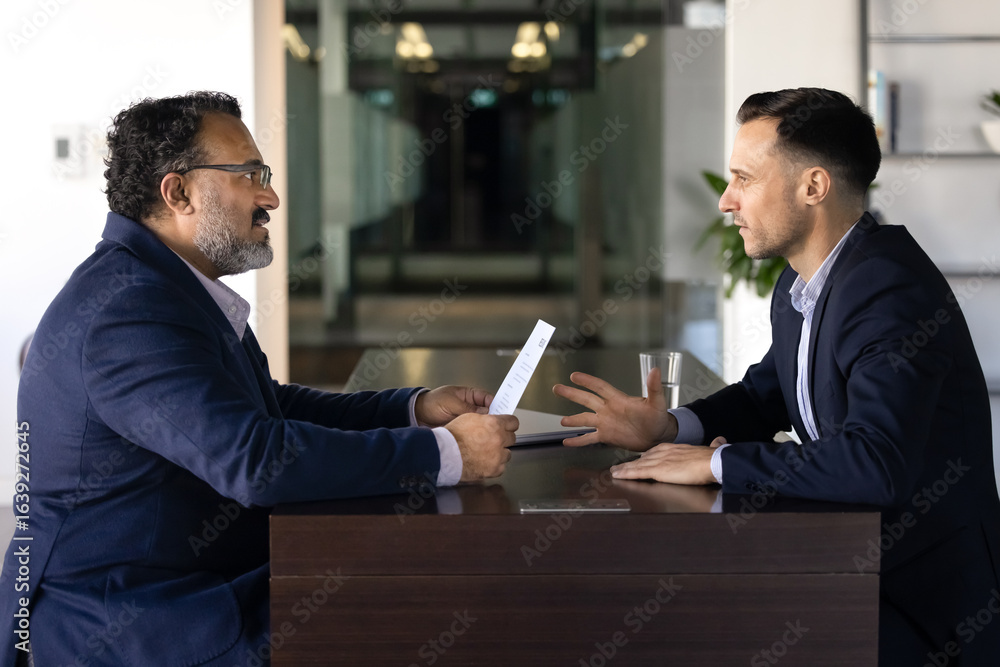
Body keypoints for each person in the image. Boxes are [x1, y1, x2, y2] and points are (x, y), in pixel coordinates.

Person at [1, 91, 517, 666]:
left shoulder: (166, 284)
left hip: (196, 578)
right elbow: (255, 461)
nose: (269, 196)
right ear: (178, 193)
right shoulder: (127, 311)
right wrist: (446, 453)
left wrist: (412, 410)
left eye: (263, 175)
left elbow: (267, 407)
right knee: (410, 607)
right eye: (248, 175)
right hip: (138, 620)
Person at [554, 88, 1000, 665]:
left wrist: (715, 463)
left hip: (924, 607)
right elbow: (767, 394)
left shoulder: (888, 288)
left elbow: (876, 462)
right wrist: (668, 427)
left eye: (744, 178)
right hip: (851, 571)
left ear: (813, 186)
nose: (726, 201)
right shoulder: (801, 281)